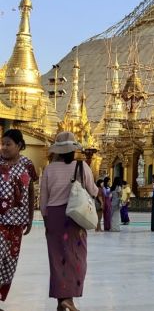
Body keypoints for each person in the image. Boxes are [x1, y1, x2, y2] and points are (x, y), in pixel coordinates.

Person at [39, 131, 99, 311]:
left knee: (57, 259)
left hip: (54, 217)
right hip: (75, 216)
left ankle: (61, 300)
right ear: (74, 150)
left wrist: (46, 221)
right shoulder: (82, 167)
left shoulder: (49, 169)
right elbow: (94, 191)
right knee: (76, 257)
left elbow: (43, 200)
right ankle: (69, 298)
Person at [0, 129, 37, 304]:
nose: (4, 147)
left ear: (19, 146)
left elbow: (30, 192)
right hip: (0, 221)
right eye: (2, 143)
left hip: (17, 223)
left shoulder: (27, 165)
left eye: (8, 144)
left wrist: (30, 218)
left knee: (10, 264)